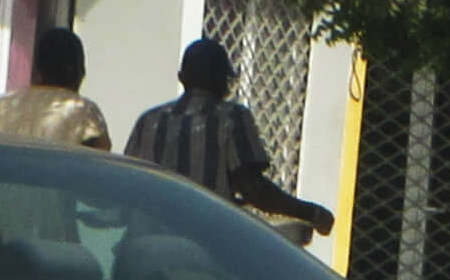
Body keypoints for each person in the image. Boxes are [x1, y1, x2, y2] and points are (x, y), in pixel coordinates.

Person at [125, 37, 335, 240]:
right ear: (222, 81)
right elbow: (253, 189)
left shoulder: (149, 121)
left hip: (142, 244)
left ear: (181, 77)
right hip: (204, 247)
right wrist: (311, 213)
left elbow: (129, 183)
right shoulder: (230, 117)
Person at [0, 27, 110, 151]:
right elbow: (101, 157)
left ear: (38, 69)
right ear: (75, 70)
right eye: (81, 67)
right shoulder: (84, 112)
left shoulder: (0, 107)